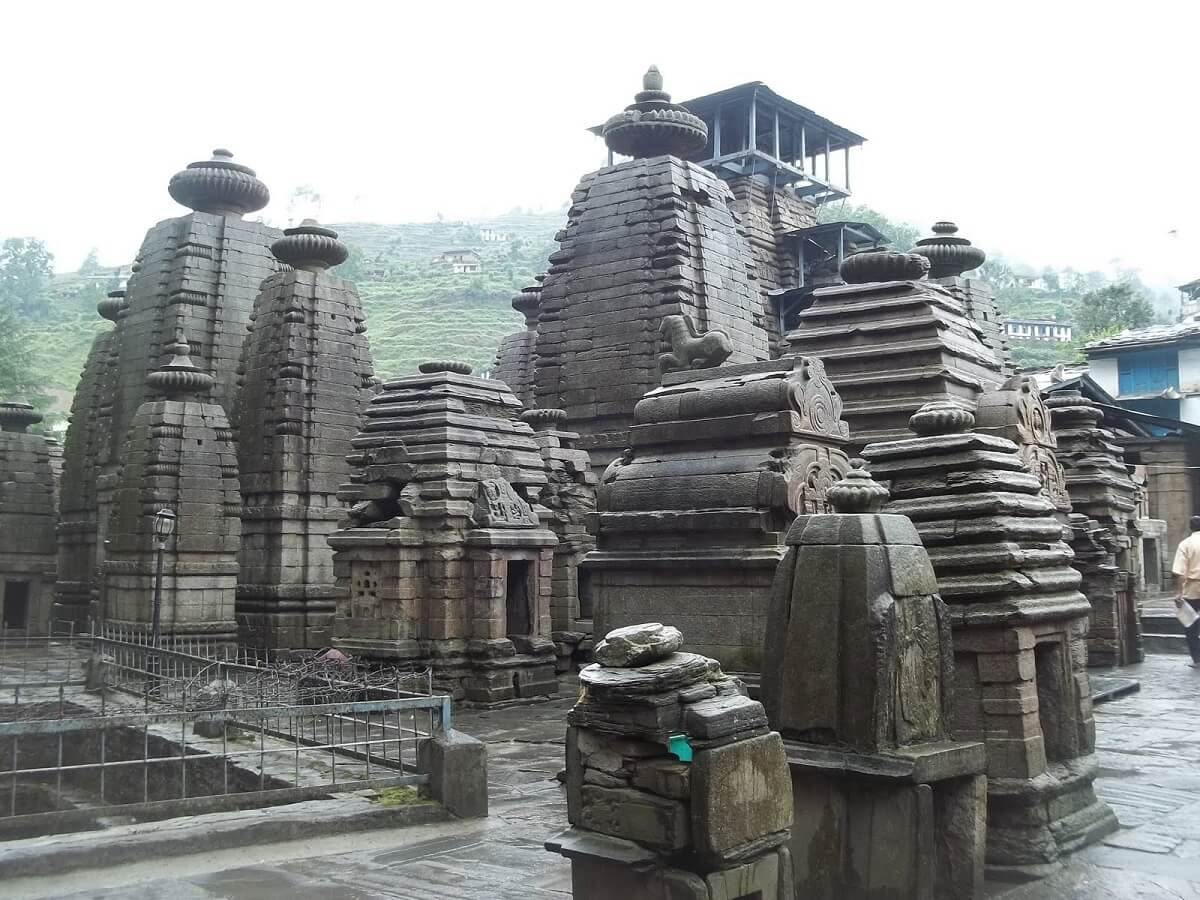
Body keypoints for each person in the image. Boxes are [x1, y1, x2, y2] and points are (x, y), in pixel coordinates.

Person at [1171, 515, 1200, 668]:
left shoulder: (1186, 544)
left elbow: (1180, 573)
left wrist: (1179, 593)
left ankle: (1197, 659)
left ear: (1190, 527)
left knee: (1191, 625)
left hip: (1192, 588)